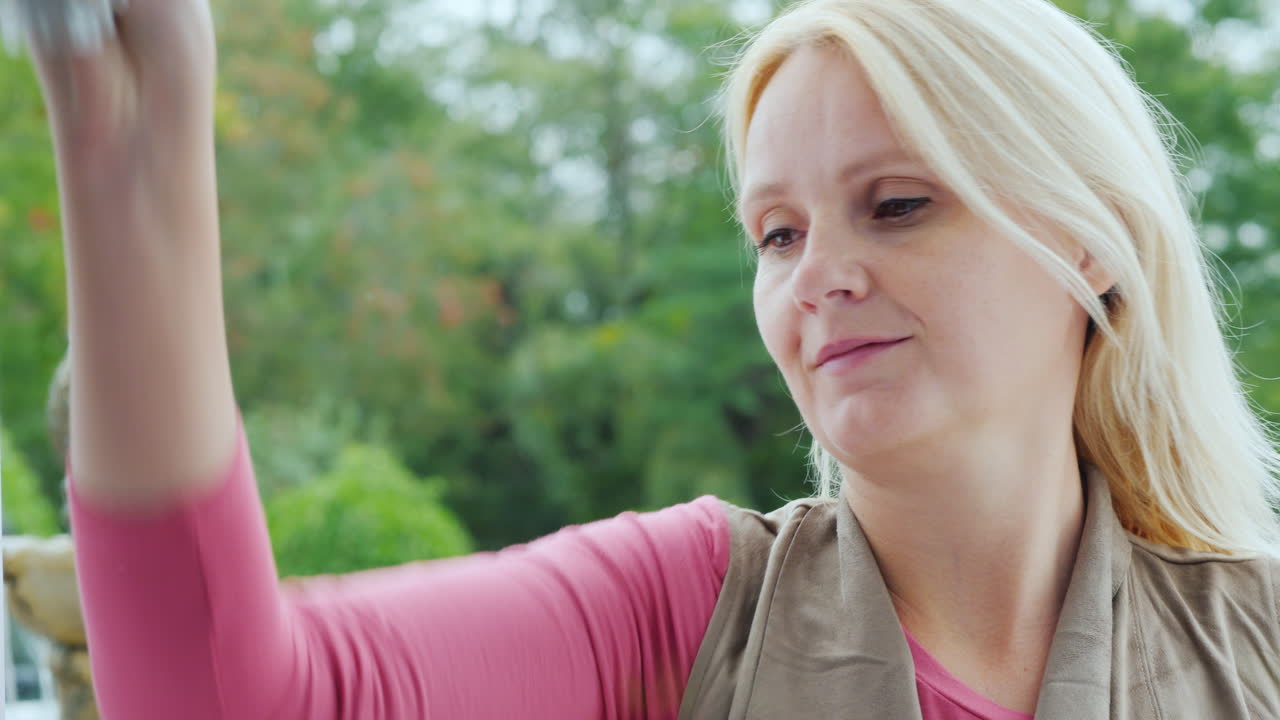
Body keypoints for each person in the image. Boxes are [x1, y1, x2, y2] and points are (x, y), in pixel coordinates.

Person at [26, 0, 1280, 717]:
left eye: (897, 205)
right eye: (776, 232)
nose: (816, 276)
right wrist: (121, 138)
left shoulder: (1254, 641)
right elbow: (221, 700)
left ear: (1086, 243)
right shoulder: (682, 608)